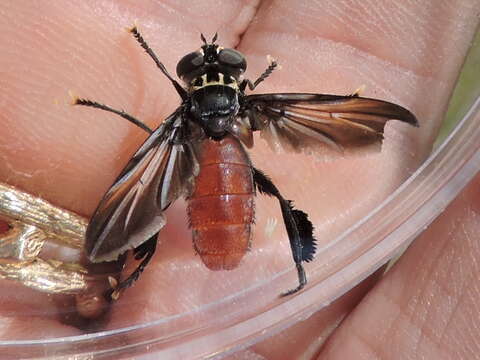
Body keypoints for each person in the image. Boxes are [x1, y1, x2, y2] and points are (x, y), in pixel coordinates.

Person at [0, 1, 478, 358]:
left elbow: (150, 182)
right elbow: (324, 116)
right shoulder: (255, 105)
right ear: (237, 83)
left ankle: (145, 264)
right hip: (230, 163)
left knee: (154, 190)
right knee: (273, 194)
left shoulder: (178, 122)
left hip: (200, 163)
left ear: (191, 85)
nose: (211, 63)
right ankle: (300, 262)